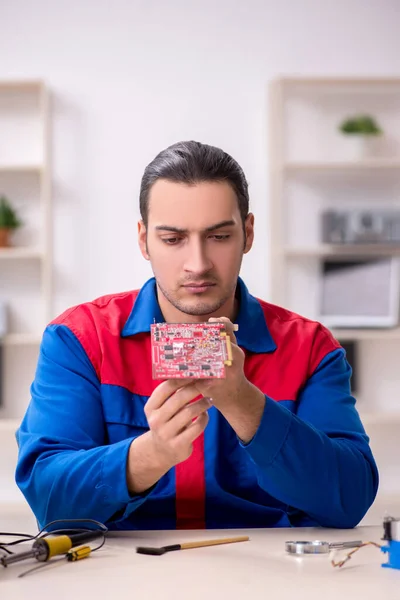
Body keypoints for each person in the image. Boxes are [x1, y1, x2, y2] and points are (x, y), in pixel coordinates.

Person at [16, 141, 378, 531]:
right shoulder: (80, 339)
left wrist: (244, 403)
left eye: (219, 237)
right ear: (144, 241)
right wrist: (149, 455)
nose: (198, 264)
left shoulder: (309, 347)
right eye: (173, 239)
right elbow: (48, 501)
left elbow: (350, 500)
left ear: (248, 233)